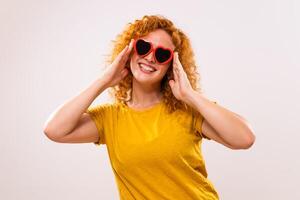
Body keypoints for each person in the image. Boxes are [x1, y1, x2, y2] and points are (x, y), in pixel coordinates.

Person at [43, 15, 256, 200]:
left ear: (172, 65)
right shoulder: (110, 118)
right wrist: (104, 80)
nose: (150, 57)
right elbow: (54, 130)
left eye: (162, 55)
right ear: (129, 51)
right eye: (143, 47)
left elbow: (244, 138)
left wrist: (190, 95)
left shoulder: (186, 111)